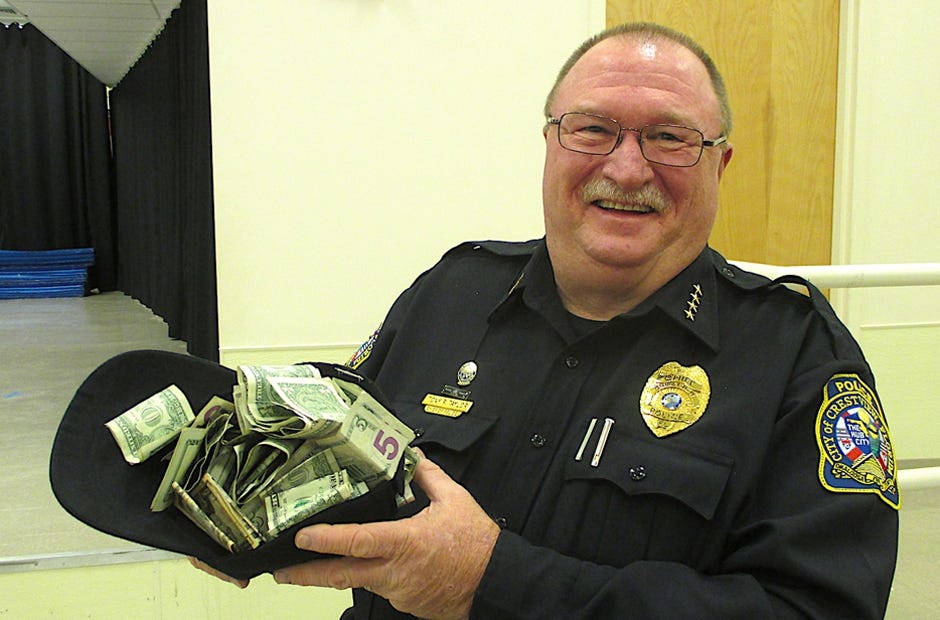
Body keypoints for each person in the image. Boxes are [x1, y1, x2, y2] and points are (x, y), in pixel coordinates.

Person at [194, 22, 900, 619]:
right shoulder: (451, 293)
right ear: (551, 143)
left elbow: (816, 609)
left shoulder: (798, 357)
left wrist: (492, 584)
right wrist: (240, 508)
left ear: (722, 164)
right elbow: (339, 453)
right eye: (593, 129)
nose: (627, 170)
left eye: (670, 138)